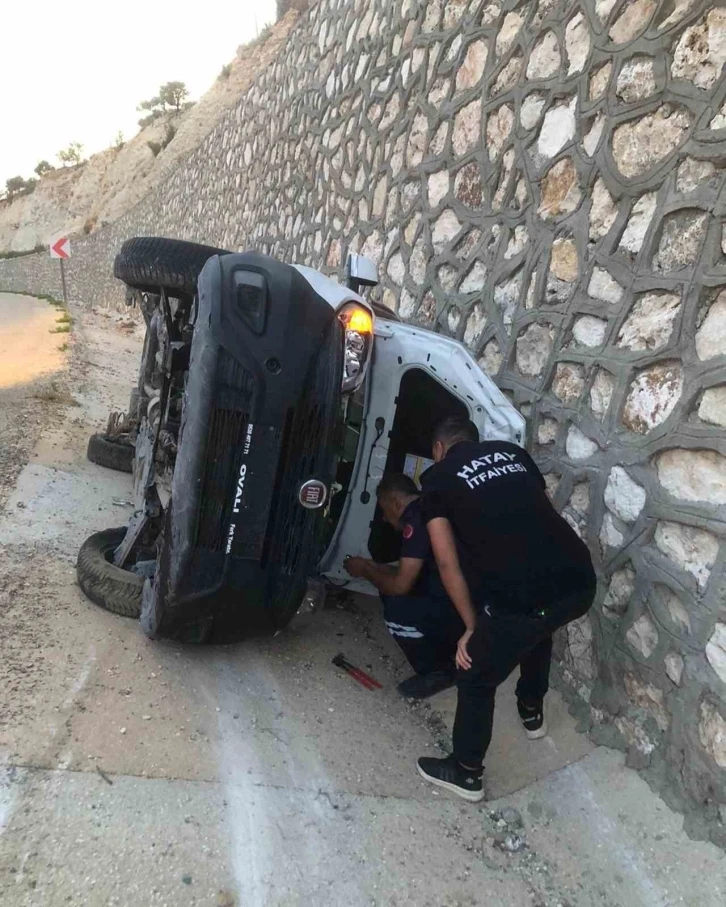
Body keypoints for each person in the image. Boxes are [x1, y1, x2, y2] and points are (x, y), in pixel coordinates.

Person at [416, 416, 596, 802]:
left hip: (522, 596)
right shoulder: (512, 453)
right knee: (539, 626)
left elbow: (446, 562)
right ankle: (532, 710)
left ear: (438, 449)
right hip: (579, 579)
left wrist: (471, 627)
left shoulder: (437, 479)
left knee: (475, 677)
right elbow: (541, 513)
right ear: (475, 439)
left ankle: (466, 772)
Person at [344, 472, 463, 699]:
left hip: (456, 607)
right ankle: (447, 648)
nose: (384, 518)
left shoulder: (415, 520)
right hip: (464, 599)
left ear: (395, 502)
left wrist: (365, 570)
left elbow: (400, 586)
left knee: (396, 610)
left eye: (384, 510)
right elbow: (413, 572)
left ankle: (439, 671)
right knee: (388, 589)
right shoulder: (428, 507)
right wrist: (374, 567)